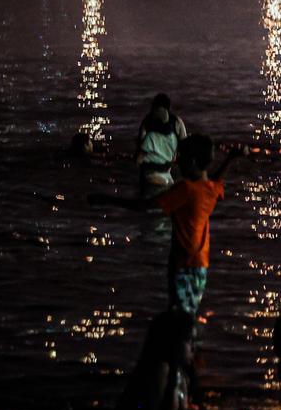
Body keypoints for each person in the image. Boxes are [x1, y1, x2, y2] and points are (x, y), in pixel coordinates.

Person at [89, 135, 244, 316]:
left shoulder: (186, 189)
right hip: (199, 264)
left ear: (192, 162)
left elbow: (144, 206)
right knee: (185, 312)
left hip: (183, 264)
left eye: (182, 158)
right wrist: (231, 158)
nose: (178, 162)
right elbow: (216, 180)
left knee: (180, 315)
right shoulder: (211, 189)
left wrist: (106, 199)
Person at [118, 310, 196, 410]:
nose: (193, 348)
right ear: (173, 340)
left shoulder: (180, 372)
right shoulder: (160, 370)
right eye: (189, 340)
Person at [136, 93, 188, 198]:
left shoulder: (148, 124)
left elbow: (139, 152)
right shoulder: (177, 123)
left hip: (150, 175)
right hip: (168, 174)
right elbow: (184, 145)